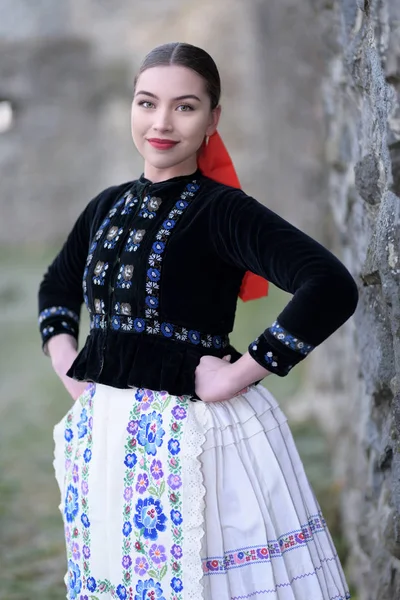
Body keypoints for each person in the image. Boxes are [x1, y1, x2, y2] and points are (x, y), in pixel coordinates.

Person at [38, 42, 357, 600]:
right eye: (146, 103)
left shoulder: (223, 210)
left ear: (213, 118)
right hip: (107, 442)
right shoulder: (105, 206)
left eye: (184, 107)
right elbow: (56, 290)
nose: (161, 122)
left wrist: (236, 376)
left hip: (198, 446)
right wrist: (73, 372)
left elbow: (329, 284)